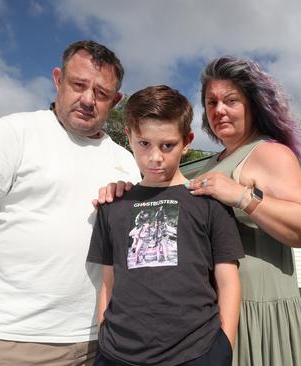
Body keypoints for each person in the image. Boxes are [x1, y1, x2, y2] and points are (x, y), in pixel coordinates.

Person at [0, 40, 140, 365]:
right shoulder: (17, 133)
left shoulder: (127, 161)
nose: (88, 99)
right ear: (58, 80)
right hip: (18, 343)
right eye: (78, 85)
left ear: (116, 100)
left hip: (104, 342)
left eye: (102, 93)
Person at [88, 85, 244, 366]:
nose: (155, 157)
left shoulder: (209, 202)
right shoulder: (112, 205)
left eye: (167, 145)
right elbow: (108, 283)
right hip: (117, 353)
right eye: (144, 143)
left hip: (197, 352)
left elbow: (228, 282)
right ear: (129, 137)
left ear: (187, 141)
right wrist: (103, 334)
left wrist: (224, 346)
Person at [185, 56, 301, 366]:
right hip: (213, 311)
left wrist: (242, 196)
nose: (219, 109)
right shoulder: (211, 164)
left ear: (252, 105)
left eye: (230, 100)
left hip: (258, 311)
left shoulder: (269, 152)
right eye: (211, 102)